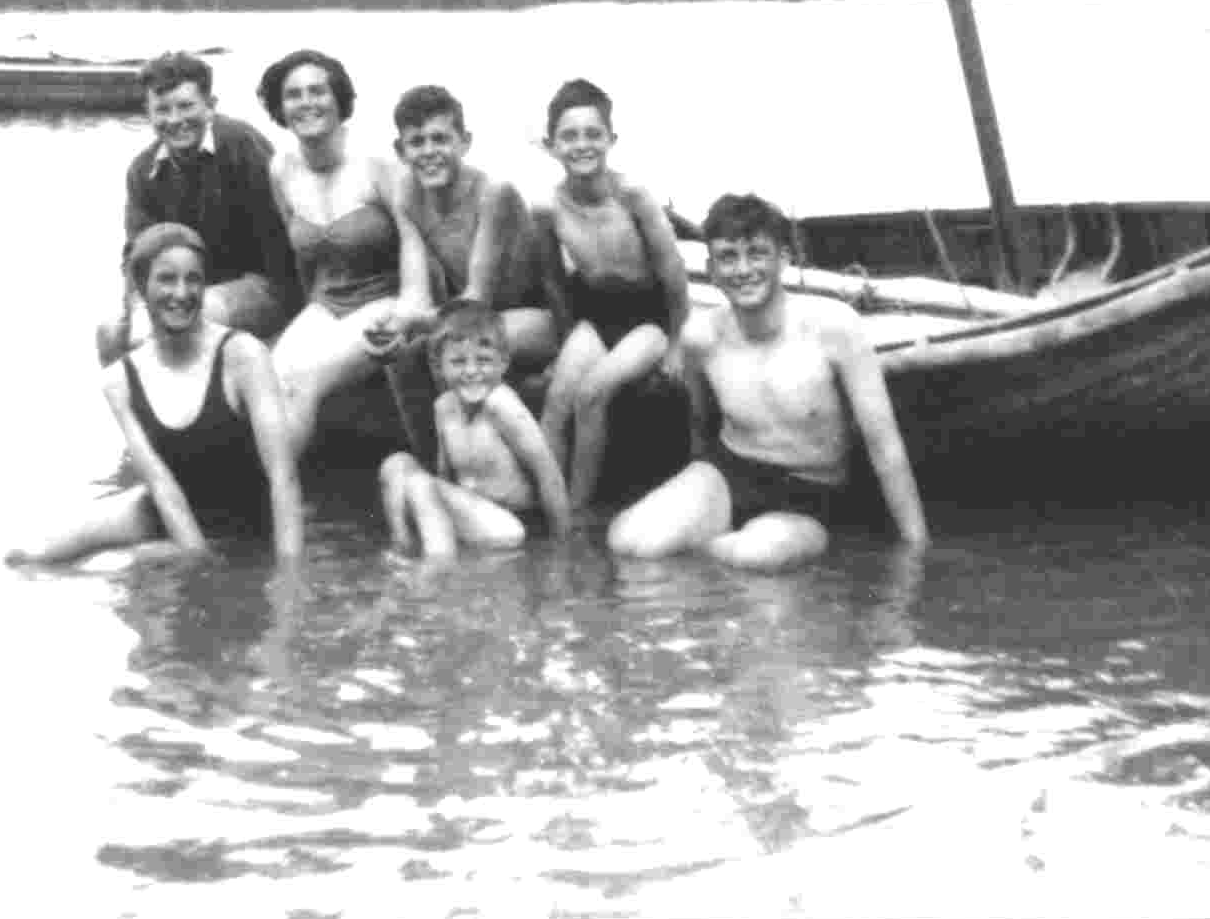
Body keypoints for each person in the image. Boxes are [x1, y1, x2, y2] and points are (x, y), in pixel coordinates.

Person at [607, 192, 929, 571]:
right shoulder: (701, 337)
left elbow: (885, 446)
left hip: (811, 490)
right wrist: (690, 496)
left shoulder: (835, 327)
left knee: (755, 555)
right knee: (628, 542)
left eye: (757, 253)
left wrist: (916, 550)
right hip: (728, 472)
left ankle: (710, 555)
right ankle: (708, 549)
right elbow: (699, 422)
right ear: (711, 269)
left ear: (783, 260)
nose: (743, 270)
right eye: (728, 257)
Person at [11, 223, 304, 566]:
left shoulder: (243, 355)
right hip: (164, 511)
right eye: (166, 279)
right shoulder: (119, 380)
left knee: (119, 563)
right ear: (142, 287)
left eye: (193, 279)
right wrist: (196, 555)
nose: (181, 293)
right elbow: (161, 486)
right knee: (29, 556)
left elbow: (283, 478)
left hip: (243, 522)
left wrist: (290, 576)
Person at [258, 48, 432, 460]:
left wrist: (410, 308)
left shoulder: (377, 162)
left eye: (318, 91)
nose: (306, 103)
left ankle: (280, 490)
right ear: (280, 108)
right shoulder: (281, 169)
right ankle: (271, 480)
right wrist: (307, 316)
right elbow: (305, 259)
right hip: (327, 303)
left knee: (306, 378)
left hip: (385, 298)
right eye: (293, 95)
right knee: (269, 377)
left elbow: (414, 237)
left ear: (339, 99)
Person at [533, 77, 690, 510]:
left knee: (593, 392)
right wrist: (564, 342)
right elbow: (553, 281)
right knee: (557, 400)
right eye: (569, 136)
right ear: (551, 145)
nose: (581, 145)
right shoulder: (548, 208)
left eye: (592, 134)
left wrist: (677, 344)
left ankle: (579, 509)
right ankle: (553, 508)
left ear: (611, 139)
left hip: (649, 319)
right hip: (596, 315)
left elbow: (674, 274)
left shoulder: (633, 197)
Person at [96, 51, 296, 366]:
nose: (175, 120)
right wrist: (136, 306)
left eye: (186, 106)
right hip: (187, 285)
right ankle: (136, 398)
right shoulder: (143, 170)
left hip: (262, 285)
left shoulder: (241, 145)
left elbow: (281, 241)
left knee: (190, 316)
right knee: (111, 332)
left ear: (210, 106)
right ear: (148, 113)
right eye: (162, 109)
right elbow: (138, 254)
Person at [378, 300, 571, 559]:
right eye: (458, 362)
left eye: (484, 360)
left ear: (503, 363)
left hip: (511, 526)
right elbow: (446, 478)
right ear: (439, 366)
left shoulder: (501, 406)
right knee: (395, 464)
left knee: (419, 483)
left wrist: (562, 551)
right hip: (472, 514)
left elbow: (549, 475)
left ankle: (437, 567)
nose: (471, 371)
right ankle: (402, 547)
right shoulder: (443, 407)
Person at [389, 83, 557, 374]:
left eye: (440, 139)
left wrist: (416, 321)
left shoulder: (493, 194)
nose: (428, 151)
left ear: (465, 142)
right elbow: (415, 293)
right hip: (476, 319)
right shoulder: (407, 196)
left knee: (452, 348)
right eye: (416, 142)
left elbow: (477, 300)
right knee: (399, 353)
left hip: (533, 319)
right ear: (401, 151)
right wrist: (395, 324)